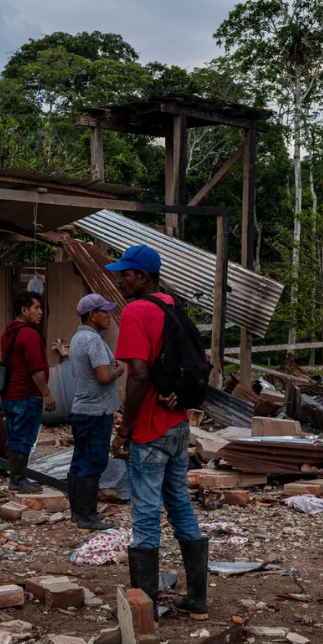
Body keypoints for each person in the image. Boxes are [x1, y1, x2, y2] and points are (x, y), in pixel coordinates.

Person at [106, 245, 208, 620]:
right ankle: (197, 599)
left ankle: (141, 609)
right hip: (179, 424)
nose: (120, 279)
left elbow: (138, 376)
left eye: (126, 273)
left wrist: (125, 428)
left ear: (143, 276)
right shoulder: (173, 306)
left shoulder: (137, 310)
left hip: (149, 427)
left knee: (146, 514)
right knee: (180, 505)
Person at [66, 293, 125, 532]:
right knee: (94, 462)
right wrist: (119, 370)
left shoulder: (78, 338)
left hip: (82, 410)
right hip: (96, 412)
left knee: (79, 462)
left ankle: (77, 515)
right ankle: (88, 519)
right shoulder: (94, 341)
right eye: (105, 312)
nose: (109, 316)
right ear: (93, 315)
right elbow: (103, 377)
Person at [0, 291, 56, 494]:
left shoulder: (8, 332)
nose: (40, 312)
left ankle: (16, 478)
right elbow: (35, 369)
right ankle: (18, 480)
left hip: (9, 396)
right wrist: (46, 394)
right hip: (26, 396)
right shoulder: (29, 334)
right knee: (24, 438)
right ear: (24, 311)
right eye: (36, 308)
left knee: (15, 437)